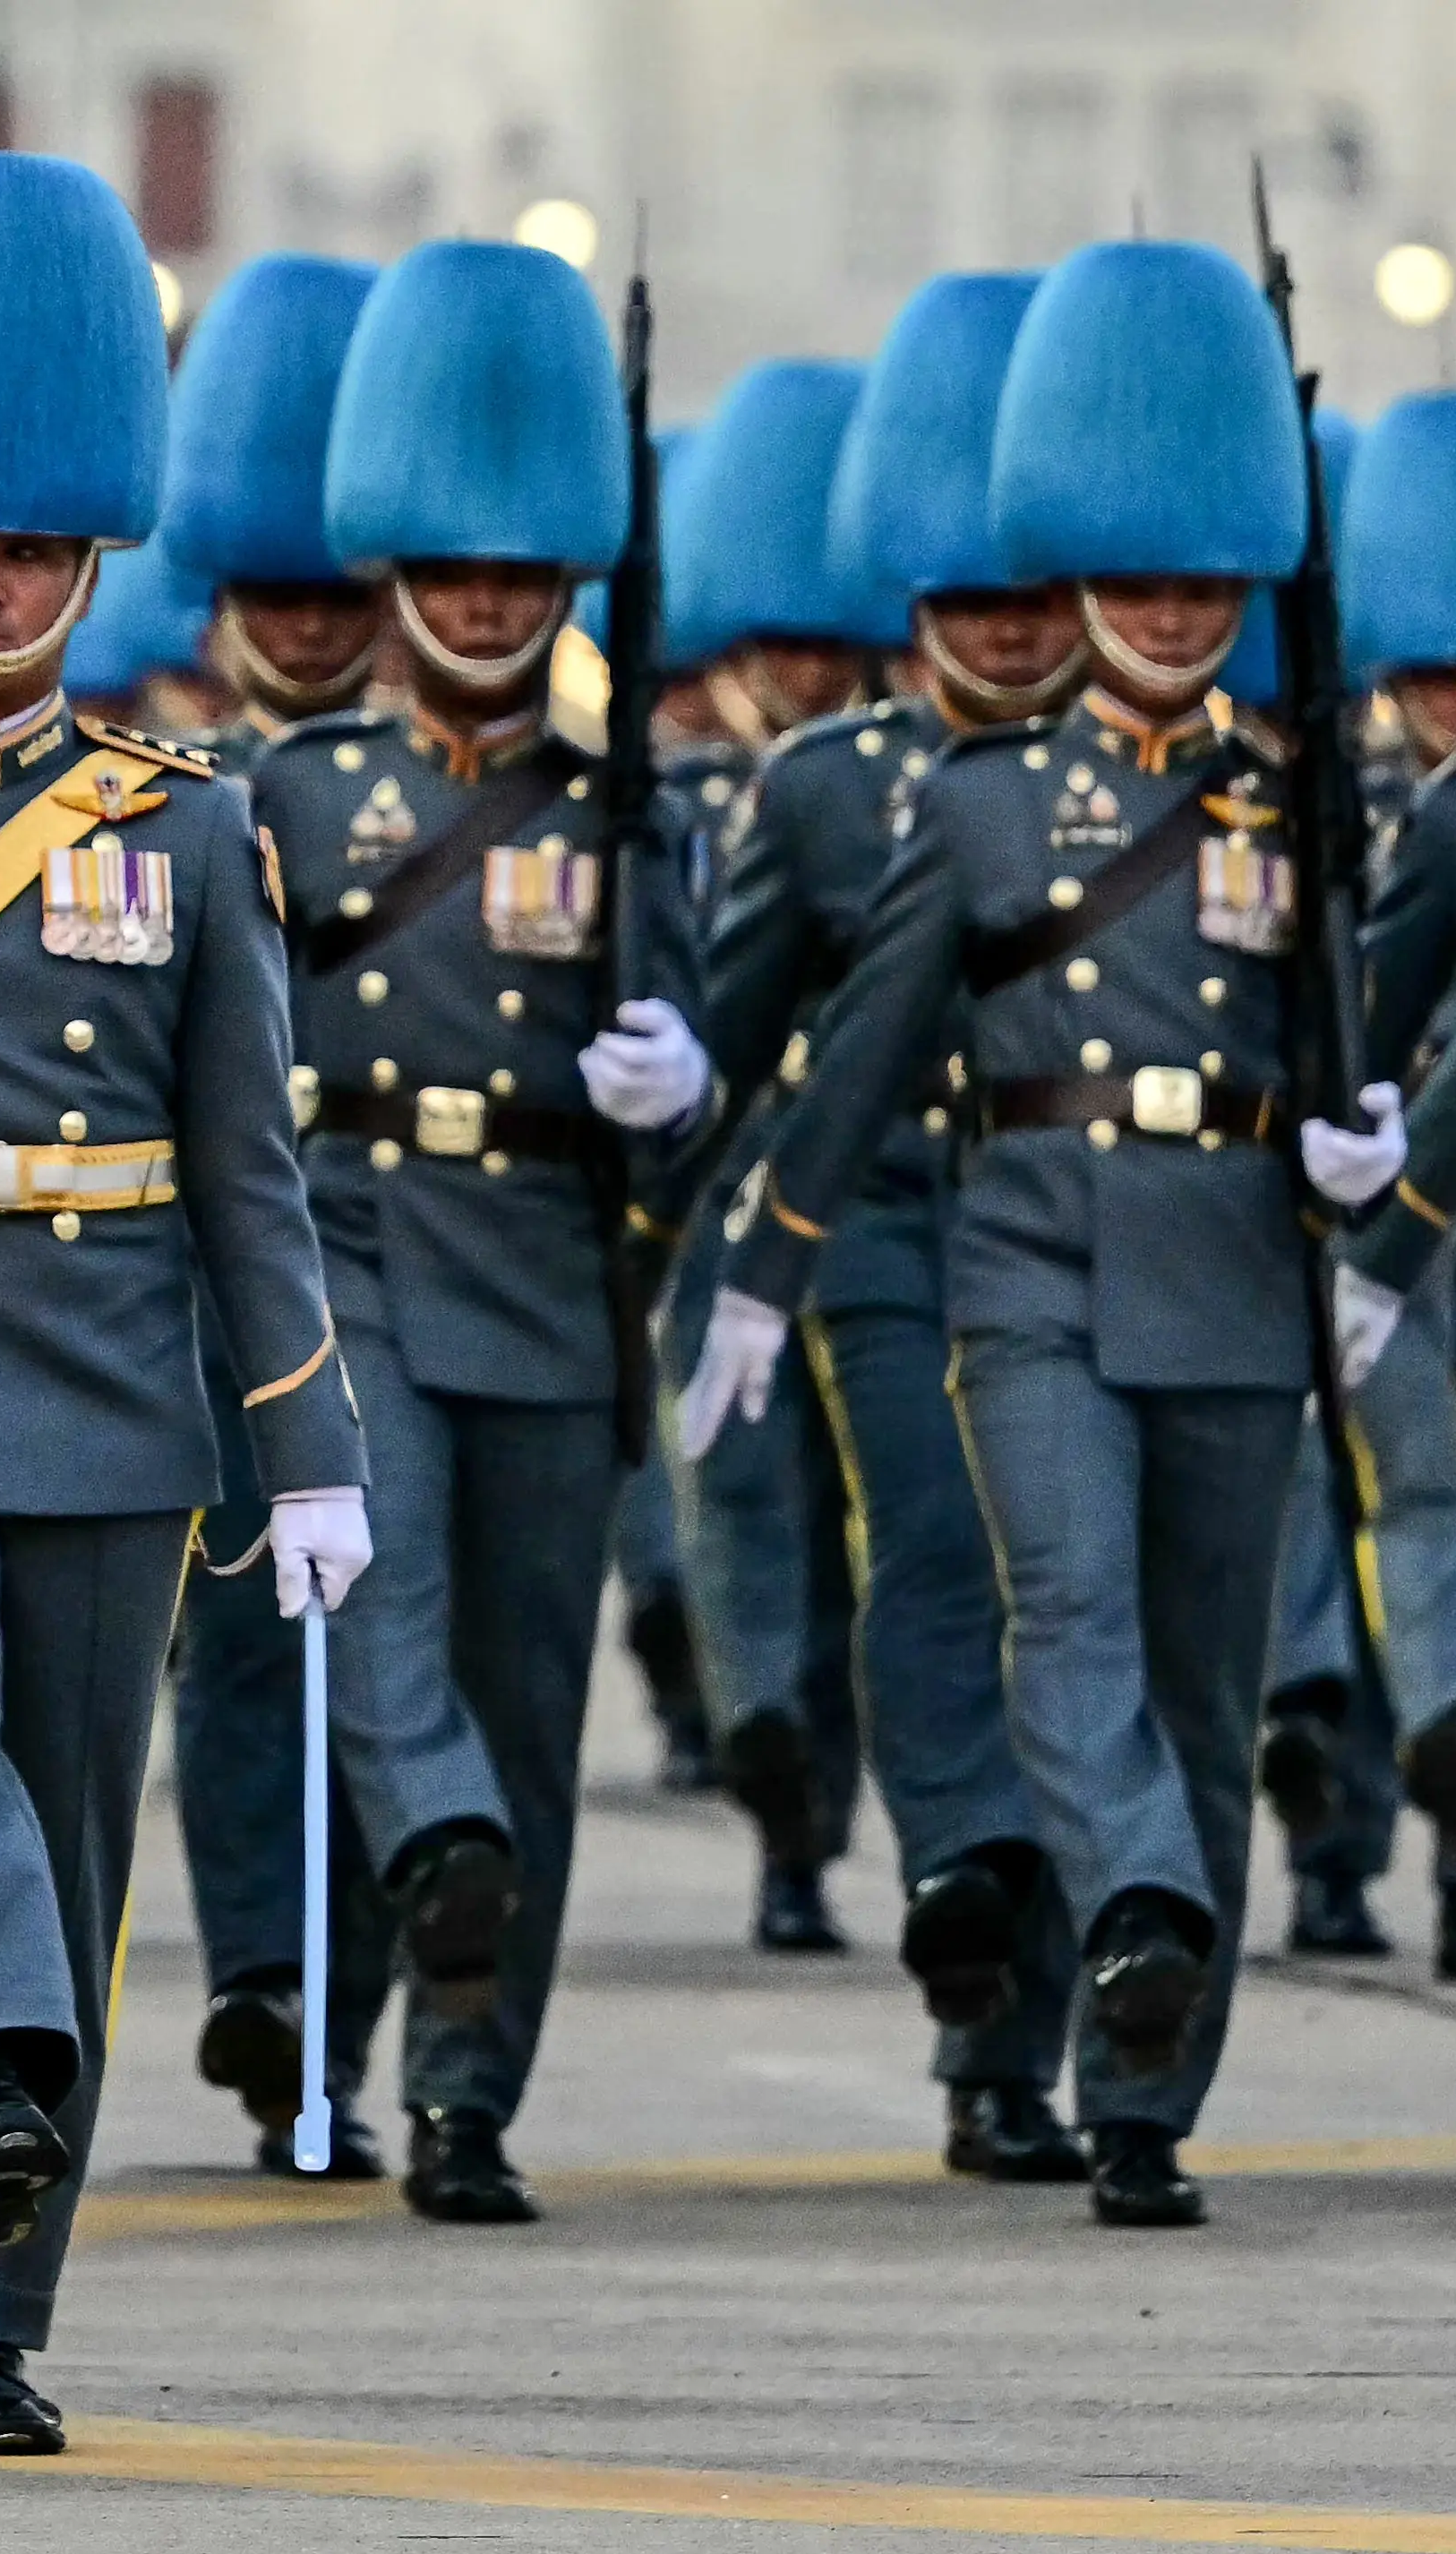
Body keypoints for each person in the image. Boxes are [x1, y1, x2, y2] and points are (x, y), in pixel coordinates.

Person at [686, 238, 1400, 2227]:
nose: (1167, 614)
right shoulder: (984, 805)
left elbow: (1345, 1031)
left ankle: (1145, 2091)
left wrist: (1362, 1158)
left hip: (1232, 1264)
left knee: (1201, 1682)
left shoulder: (1294, 799)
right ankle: (1141, 1905)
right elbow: (859, 1051)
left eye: (1202, 584)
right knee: (1063, 1609)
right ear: (1079, 582)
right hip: (1025, 1260)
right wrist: (759, 1263)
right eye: (1135, 580)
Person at [0, 147, 367, 2455]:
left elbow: (245, 1173)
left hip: (105, 1402)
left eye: (30, 551)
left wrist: (306, 1446)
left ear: (89, 559)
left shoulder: (182, 823)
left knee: (60, 1839)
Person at [251, 236, 715, 2224]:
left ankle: (463, 2088)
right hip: (348, 1235)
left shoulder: (630, 808)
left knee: (528, 1690)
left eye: (522, 579)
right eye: (452, 576)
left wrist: (674, 1086)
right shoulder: (292, 792)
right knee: (383, 1595)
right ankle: (425, 1847)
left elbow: (695, 1066)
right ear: (394, 580)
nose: (487, 607)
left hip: (542, 1260)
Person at [698, 273, 1089, 2175]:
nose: (1004, 631)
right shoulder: (825, 790)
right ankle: (961, 1873)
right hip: (878, 1219)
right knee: (933, 1548)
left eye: (1035, 599)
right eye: (969, 600)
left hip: (1086, 1223)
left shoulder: (1155, 789)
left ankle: (1024, 2032)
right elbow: (730, 1033)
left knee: (1071, 1602)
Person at [152, 249, 405, 2179]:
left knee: (382, 1652)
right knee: (244, 1639)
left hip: (394, 1255)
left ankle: (345, 2007)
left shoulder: (435, 794)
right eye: (275, 599)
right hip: (197, 1274)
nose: (306, 629)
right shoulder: (159, 788)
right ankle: (263, 1972)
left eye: (337, 600)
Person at [650, 359, 896, 1952]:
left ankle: (821, 1796)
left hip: (866, 1192)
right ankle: (769, 1768)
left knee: (860, 1532)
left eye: (824, 646)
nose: (801, 673)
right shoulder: (681, 803)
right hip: (723, 1196)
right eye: (775, 646)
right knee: (741, 1499)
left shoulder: (885, 792)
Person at [1319, 390, 1456, 1984]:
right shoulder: (1425, 814)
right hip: (1432, 1222)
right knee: (1429, 1510)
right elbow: (1362, 1029)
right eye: (1439, 674)